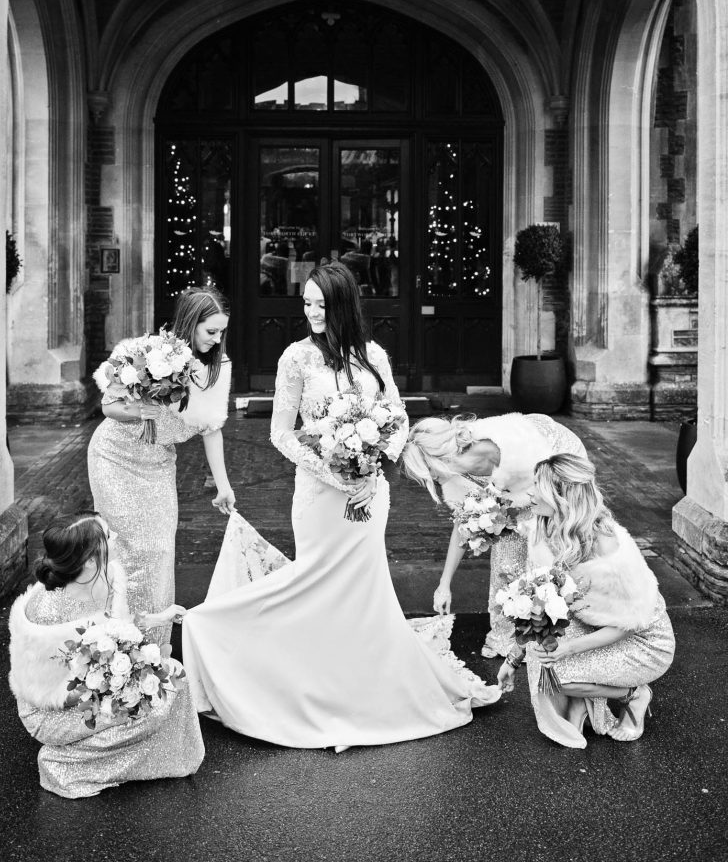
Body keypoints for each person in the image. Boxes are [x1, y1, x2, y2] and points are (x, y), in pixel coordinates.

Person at [183, 262, 500, 750]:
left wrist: (371, 474)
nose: (311, 312)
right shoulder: (296, 359)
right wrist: (337, 474)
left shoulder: (374, 356)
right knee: (314, 582)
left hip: (371, 498)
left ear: (343, 305)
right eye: (305, 303)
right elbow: (280, 433)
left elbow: (396, 417)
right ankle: (234, 639)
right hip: (317, 496)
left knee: (363, 590)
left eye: (320, 304)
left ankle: (361, 686)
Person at [8, 512, 204, 799]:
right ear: (89, 559)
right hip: (53, 709)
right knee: (146, 705)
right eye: (109, 535)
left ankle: (112, 755)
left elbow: (117, 625)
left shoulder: (108, 574)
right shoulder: (44, 613)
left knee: (173, 679)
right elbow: (40, 688)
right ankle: (64, 765)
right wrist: (114, 687)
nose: (115, 538)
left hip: (95, 684)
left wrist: (159, 619)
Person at [496, 454, 676, 748]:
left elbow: (630, 623)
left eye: (536, 486)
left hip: (643, 641)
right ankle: (587, 699)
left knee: (556, 673)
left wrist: (566, 649)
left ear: (560, 495)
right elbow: (536, 608)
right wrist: (513, 658)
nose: (529, 492)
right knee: (545, 660)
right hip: (593, 621)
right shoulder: (543, 526)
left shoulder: (607, 545)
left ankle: (634, 694)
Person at [88, 287, 234, 644]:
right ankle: (110, 641)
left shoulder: (219, 369)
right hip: (113, 457)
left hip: (157, 466)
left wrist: (224, 485)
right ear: (190, 322)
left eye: (221, 333)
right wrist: (140, 408)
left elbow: (212, 430)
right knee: (120, 547)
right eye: (210, 331)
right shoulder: (143, 352)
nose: (216, 341)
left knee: (158, 550)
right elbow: (109, 407)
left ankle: (151, 648)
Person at [402, 412, 588, 658]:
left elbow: (541, 497)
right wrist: (444, 584)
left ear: (439, 457)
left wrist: (516, 512)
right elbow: (463, 525)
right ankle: (510, 639)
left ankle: (565, 631)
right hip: (515, 492)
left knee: (548, 550)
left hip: (554, 461)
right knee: (507, 560)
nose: (430, 479)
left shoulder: (505, 442)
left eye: (427, 470)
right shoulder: (453, 477)